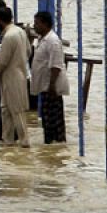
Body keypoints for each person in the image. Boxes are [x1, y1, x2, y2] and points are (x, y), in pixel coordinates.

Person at [0, 4, 31, 147]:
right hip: (19, 73)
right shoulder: (20, 31)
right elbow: (28, 51)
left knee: (16, 110)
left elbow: (2, 61)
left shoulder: (9, 36)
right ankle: (8, 142)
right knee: (6, 110)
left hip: (11, 76)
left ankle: (24, 142)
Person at [33, 10, 70, 143]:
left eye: (37, 23)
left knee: (53, 119)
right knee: (47, 119)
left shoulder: (53, 41)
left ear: (45, 24)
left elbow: (56, 65)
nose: (34, 26)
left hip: (51, 87)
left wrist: (52, 85)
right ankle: (51, 145)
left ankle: (56, 143)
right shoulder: (41, 39)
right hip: (45, 86)